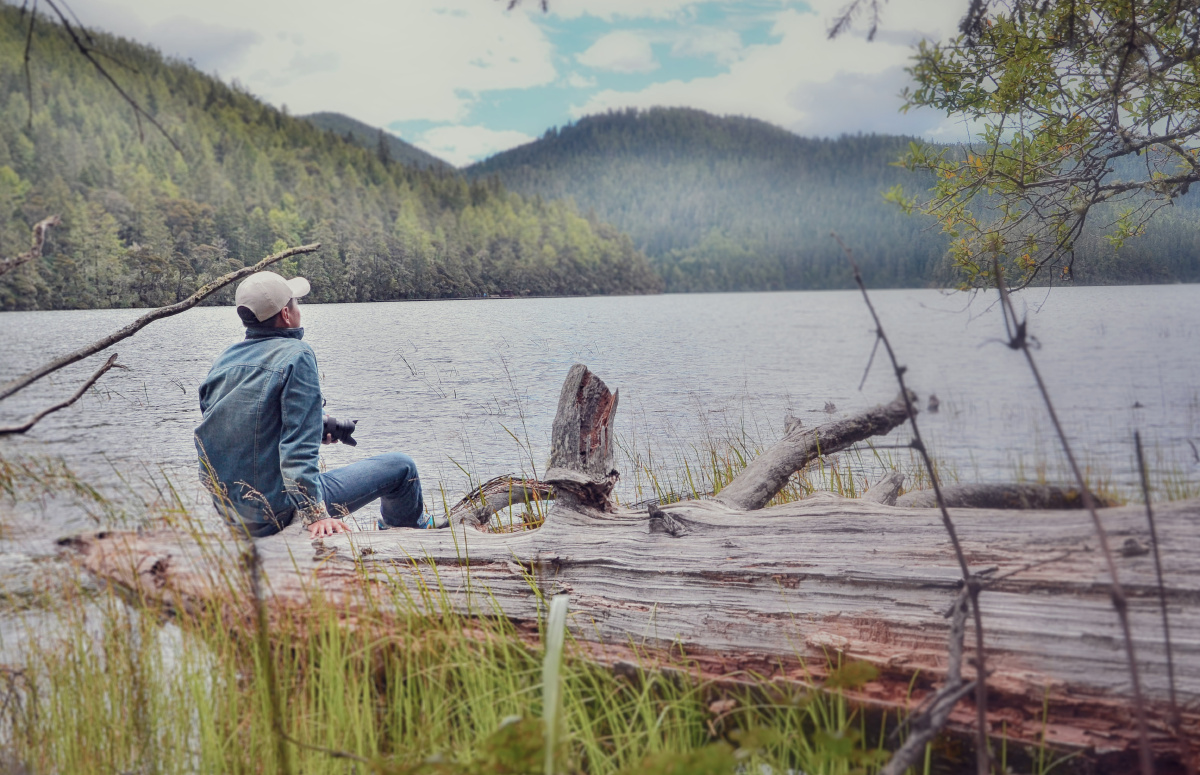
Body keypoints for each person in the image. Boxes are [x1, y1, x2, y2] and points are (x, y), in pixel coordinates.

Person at [194, 271, 429, 538]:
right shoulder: (297, 354)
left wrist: (315, 426)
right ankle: (412, 534)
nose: (299, 309)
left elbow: (235, 432)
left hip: (233, 512)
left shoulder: (225, 359)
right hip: (278, 510)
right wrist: (315, 514)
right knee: (402, 467)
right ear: (285, 314)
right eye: (296, 303)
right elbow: (297, 449)